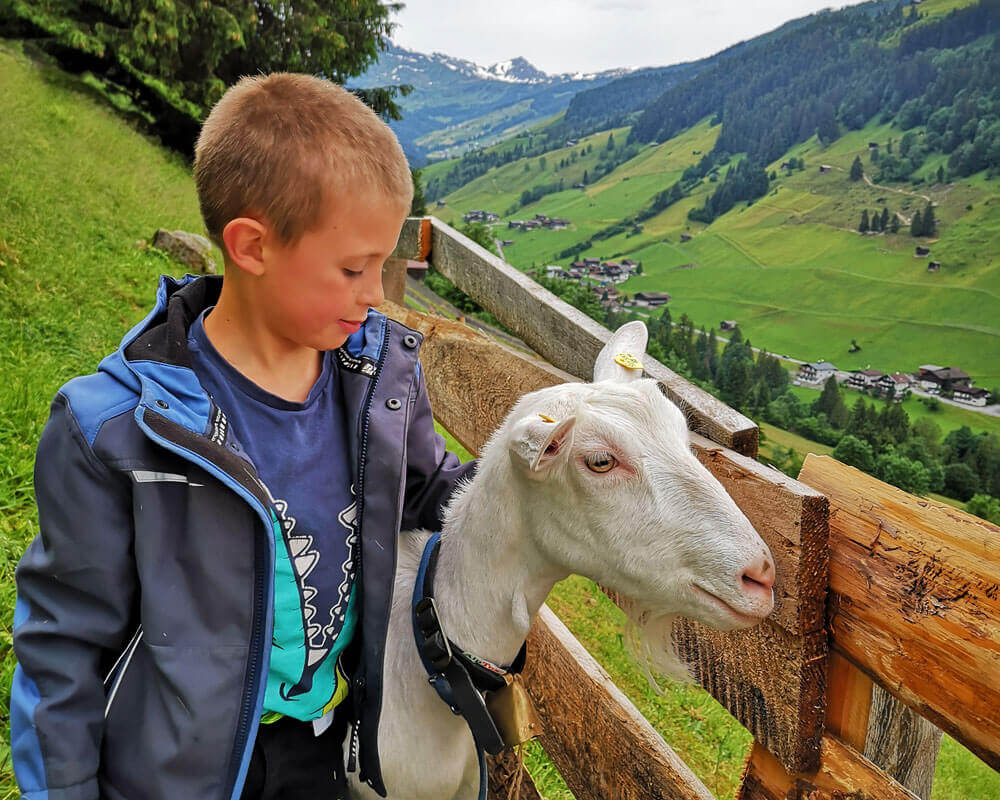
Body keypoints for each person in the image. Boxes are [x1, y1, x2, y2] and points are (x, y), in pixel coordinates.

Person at [10, 73, 474, 800]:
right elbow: (61, 647)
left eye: (384, 267)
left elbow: (432, 492)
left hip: (327, 751)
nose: (376, 295)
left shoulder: (379, 385)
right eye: (354, 268)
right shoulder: (114, 433)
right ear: (253, 247)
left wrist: (536, 471)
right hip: (179, 775)